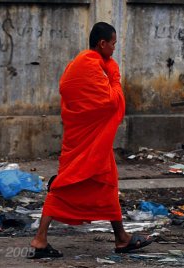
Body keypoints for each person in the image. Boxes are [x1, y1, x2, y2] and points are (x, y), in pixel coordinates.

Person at [29, 22, 152, 258]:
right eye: (113, 44)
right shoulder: (89, 65)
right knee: (65, 184)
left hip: (88, 140)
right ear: (102, 43)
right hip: (86, 141)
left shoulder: (79, 64)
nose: (115, 48)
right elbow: (110, 102)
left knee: (107, 184)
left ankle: (121, 238)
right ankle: (39, 239)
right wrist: (114, 75)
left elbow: (71, 93)